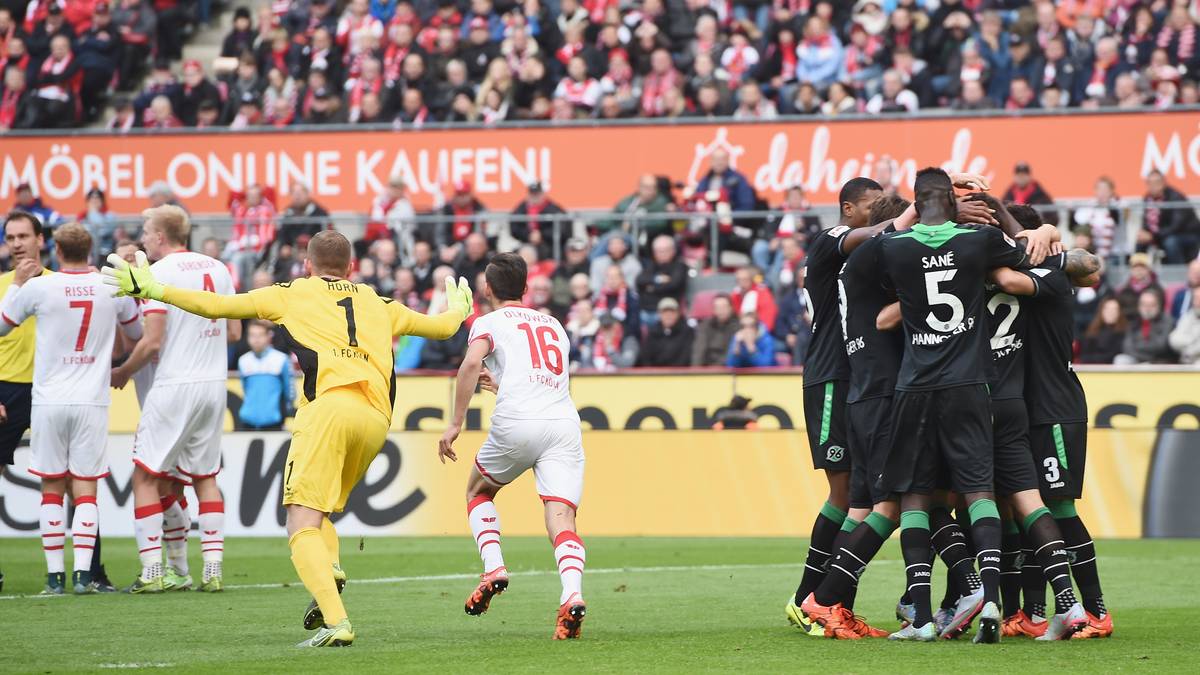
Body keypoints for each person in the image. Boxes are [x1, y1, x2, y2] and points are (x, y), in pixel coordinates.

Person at [102, 230, 473, 647]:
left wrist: (154, 289)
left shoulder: (292, 292)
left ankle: (337, 621)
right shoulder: (377, 300)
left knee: (299, 520)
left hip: (328, 412)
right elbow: (441, 329)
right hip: (375, 419)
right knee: (320, 514)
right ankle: (329, 568)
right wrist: (458, 311)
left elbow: (218, 306)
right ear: (351, 267)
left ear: (307, 265)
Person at [867, 168, 1029, 642]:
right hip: (968, 382)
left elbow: (875, 289)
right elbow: (1020, 255)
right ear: (952, 202)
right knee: (979, 491)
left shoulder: (894, 247)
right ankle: (993, 600)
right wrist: (1001, 213)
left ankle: (919, 617)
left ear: (918, 201)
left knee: (915, 495)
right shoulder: (977, 242)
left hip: (915, 385)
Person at [438, 252, 589, 639]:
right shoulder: (554, 325)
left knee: (478, 490)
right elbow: (541, 381)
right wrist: (502, 386)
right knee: (562, 519)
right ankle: (571, 596)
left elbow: (471, 364)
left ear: (487, 289)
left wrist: (456, 423)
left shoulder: (488, 322)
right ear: (525, 288)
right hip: (562, 426)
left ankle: (494, 567)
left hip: (517, 424)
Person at [0, 224, 142, 595]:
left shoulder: (38, 286)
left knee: (50, 487)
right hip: (91, 401)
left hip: (47, 400)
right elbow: (139, 331)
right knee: (86, 490)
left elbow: (2, 326)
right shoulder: (111, 284)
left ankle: (54, 578)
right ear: (91, 250)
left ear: (56, 251)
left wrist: (16, 284)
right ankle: (83, 576)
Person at [106, 205, 240, 595]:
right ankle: (211, 569)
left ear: (161, 236)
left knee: (146, 477)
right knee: (205, 477)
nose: (144, 238)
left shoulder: (158, 274)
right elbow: (234, 333)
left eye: (147, 232)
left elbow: (152, 341)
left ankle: (152, 571)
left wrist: (124, 372)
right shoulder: (219, 268)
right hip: (214, 385)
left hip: (174, 384)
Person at [786, 176, 883, 637]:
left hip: (858, 379)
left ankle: (821, 601)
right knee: (845, 495)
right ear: (848, 209)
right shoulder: (828, 241)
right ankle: (813, 599)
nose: (878, 214)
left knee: (859, 494)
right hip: (830, 376)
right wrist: (918, 214)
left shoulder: (866, 255)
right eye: (872, 206)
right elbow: (871, 233)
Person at [236, 320, 292, 431]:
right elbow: (245, 389)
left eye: (260, 335)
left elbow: (289, 392)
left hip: (274, 421)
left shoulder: (281, 359)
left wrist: (284, 413)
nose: (256, 339)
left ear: (268, 337)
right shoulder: (243, 360)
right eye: (252, 335)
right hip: (247, 421)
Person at [1142, 170, 1200, 264]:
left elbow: (1176, 226)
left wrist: (1153, 236)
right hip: (1162, 234)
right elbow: (1146, 222)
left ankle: (1177, 274)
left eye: (1156, 182)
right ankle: (1138, 274)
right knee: (1141, 240)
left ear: (1163, 183)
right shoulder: (1147, 199)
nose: (1153, 186)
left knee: (1171, 242)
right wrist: (1144, 233)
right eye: (1149, 183)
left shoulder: (1176, 197)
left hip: (1188, 235)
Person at [635, 235, 687, 328]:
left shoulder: (679, 266)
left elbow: (673, 285)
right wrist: (658, 279)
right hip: (645, 309)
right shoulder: (651, 266)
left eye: (665, 250)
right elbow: (639, 280)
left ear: (673, 251)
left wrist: (651, 288)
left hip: (667, 311)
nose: (661, 254)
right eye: (658, 251)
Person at [1116, 289, 1176, 364]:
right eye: (1143, 304)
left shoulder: (1167, 321)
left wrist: (1139, 348)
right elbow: (1127, 347)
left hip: (1158, 361)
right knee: (1121, 359)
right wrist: (1141, 354)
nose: (1147, 308)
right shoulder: (1134, 321)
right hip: (1137, 359)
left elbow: (1160, 347)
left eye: (1151, 305)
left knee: (1145, 366)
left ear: (1159, 306)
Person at [639, 297, 693, 367]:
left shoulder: (687, 332)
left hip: (680, 374)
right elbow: (646, 357)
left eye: (672, 312)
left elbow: (686, 356)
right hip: (655, 375)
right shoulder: (653, 333)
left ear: (678, 314)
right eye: (665, 312)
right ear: (659, 314)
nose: (668, 315)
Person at [692, 293, 738, 367]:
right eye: (717, 307)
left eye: (724, 307)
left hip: (729, 370)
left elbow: (731, 353)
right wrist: (696, 371)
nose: (721, 310)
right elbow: (699, 350)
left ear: (731, 308)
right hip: (706, 370)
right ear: (713, 310)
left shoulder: (738, 327)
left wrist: (716, 369)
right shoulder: (705, 326)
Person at [1079, 297, 1127, 364]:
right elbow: (1084, 355)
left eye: (1115, 309)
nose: (1111, 312)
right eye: (1107, 309)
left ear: (1119, 312)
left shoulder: (1123, 332)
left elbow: (1115, 354)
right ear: (1101, 311)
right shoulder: (1092, 331)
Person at [1169, 290, 1200, 365]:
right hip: (1186, 363)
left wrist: (1189, 351)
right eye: (1196, 299)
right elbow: (1174, 339)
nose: (1198, 302)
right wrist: (1193, 339)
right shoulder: (1187, 316)